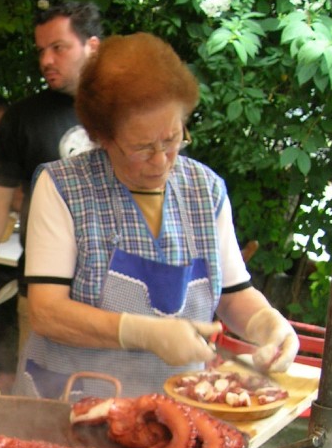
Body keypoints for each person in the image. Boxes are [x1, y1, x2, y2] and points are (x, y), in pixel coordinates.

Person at [16, 33, 299, 398]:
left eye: (171, 139)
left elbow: (232, 294)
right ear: (102, 137)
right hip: (72, 403)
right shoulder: (63, 187)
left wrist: (267, 323)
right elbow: (46, 312)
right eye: (142, 147)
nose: (162, 160)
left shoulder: (205, 189)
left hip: (175, 406)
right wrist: (144, 333)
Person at [0, 1, 102, 364]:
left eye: (58, 48)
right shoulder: (23, 118)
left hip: (111, 295)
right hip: (43, 291)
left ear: (92, 46)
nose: (46, 60)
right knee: (42, 403)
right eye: (41, 50)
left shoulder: (123, 110)